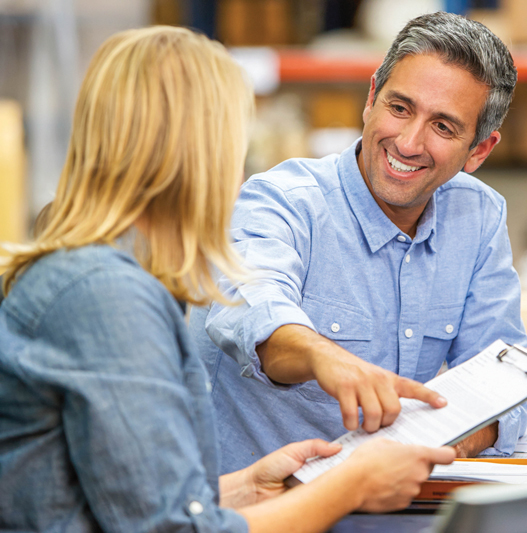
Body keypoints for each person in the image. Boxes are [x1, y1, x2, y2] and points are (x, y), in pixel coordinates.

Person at [0, 26, 455, 533]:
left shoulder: (92, 275)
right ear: (197, 152)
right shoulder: (106, 298)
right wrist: (347, 487)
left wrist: (244, 488)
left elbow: (121, 495)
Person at [190, 11, 527, 475]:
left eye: (443, 127)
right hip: (262, 510)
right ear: (371, 98)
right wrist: (322, 356)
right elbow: (252, 311)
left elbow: (505, 379)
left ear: (479, 151)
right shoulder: (282, 202)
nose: (409, 142)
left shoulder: (478, 217)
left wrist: (454, 437)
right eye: (400, 108)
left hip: (389, 505)